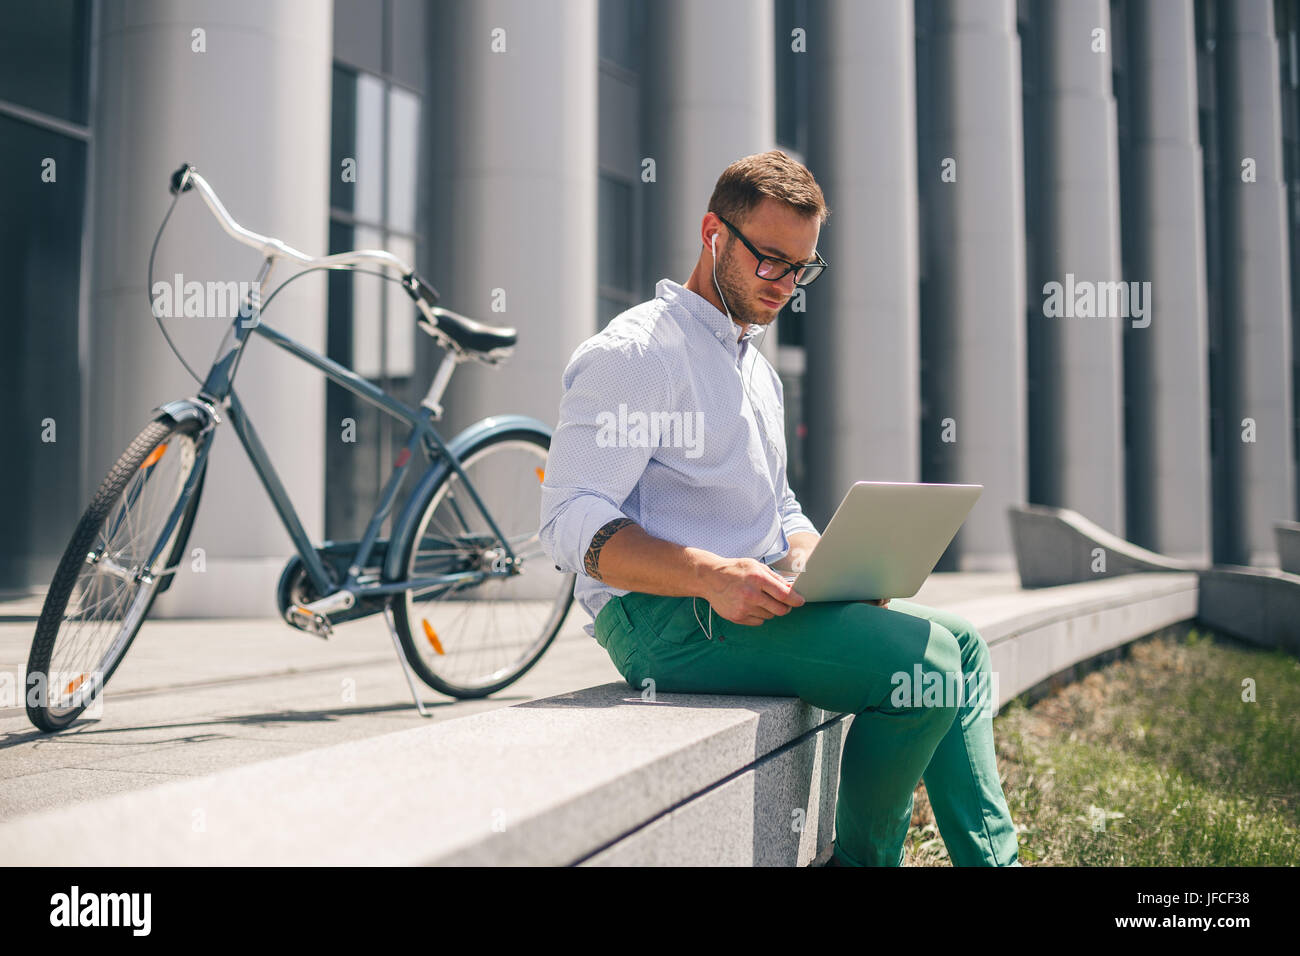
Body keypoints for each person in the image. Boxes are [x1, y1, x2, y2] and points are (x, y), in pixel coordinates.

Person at [539, 150, 1020, 867]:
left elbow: (781, 503)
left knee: (966, 651)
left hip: (750, 601)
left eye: (802, 269)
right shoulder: (638, 353)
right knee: (926, 676)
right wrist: (710, 575)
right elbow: (569, 519)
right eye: (771, 261)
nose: (787, 285)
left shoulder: (754, 367)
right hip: (660, 620)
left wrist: (813, 554)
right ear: (713, 234)